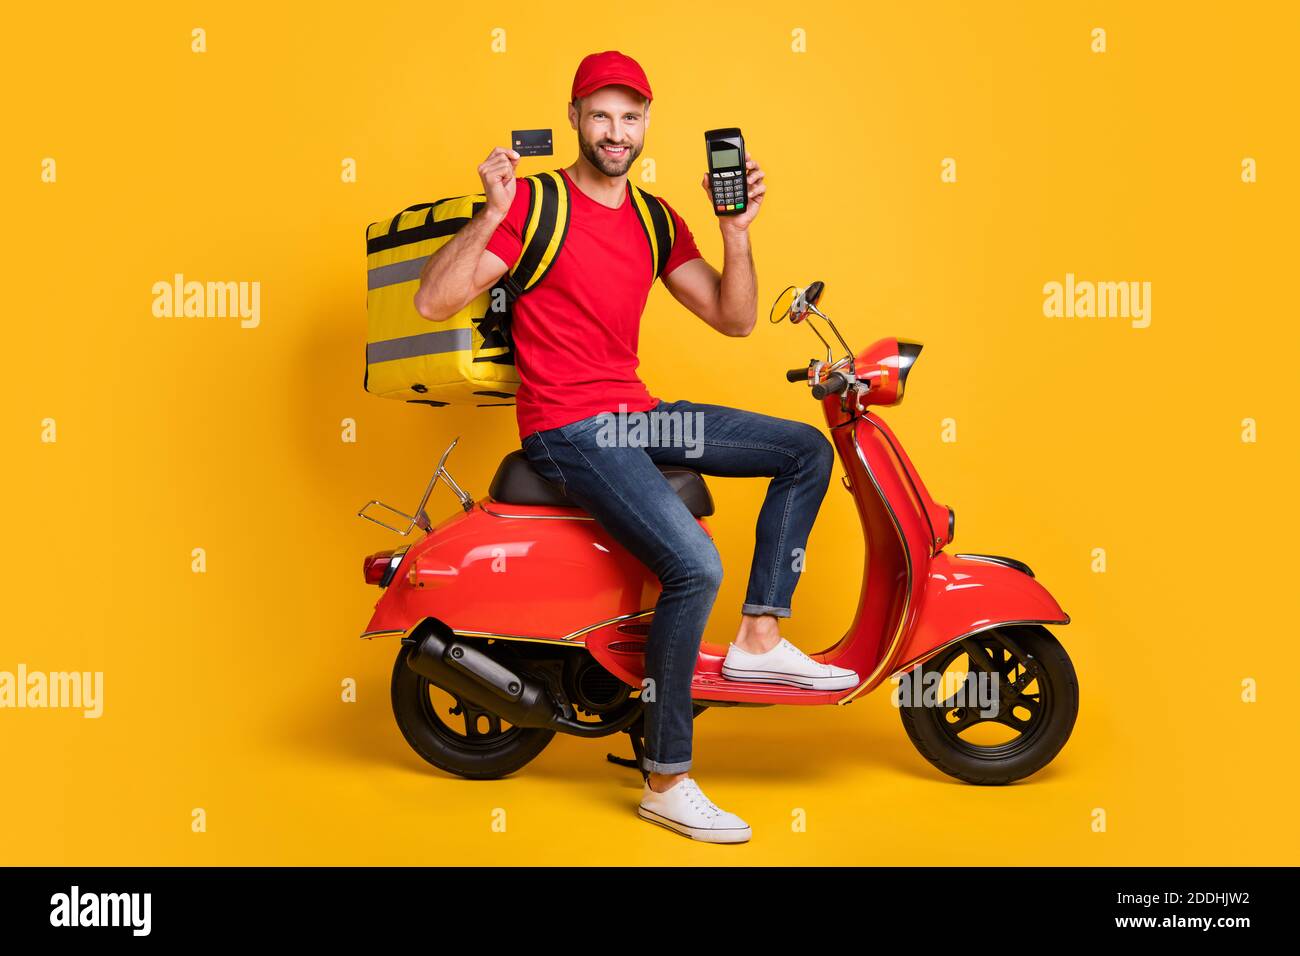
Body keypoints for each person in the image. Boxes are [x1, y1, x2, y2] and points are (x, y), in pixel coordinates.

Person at [412, 50, 857, 844]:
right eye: (600, 115)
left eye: (630, 117)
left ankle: (760, 638)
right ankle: (668, 778)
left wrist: (736, 231)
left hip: (639, 416)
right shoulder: (537, 203)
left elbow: (735, 317)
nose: (615, 132)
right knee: (694, 563)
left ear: (647, 124)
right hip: (568, 427)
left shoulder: (655, 219)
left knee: (803, 450)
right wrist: (491, 209)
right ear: (576, 118)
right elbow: (432, 297)